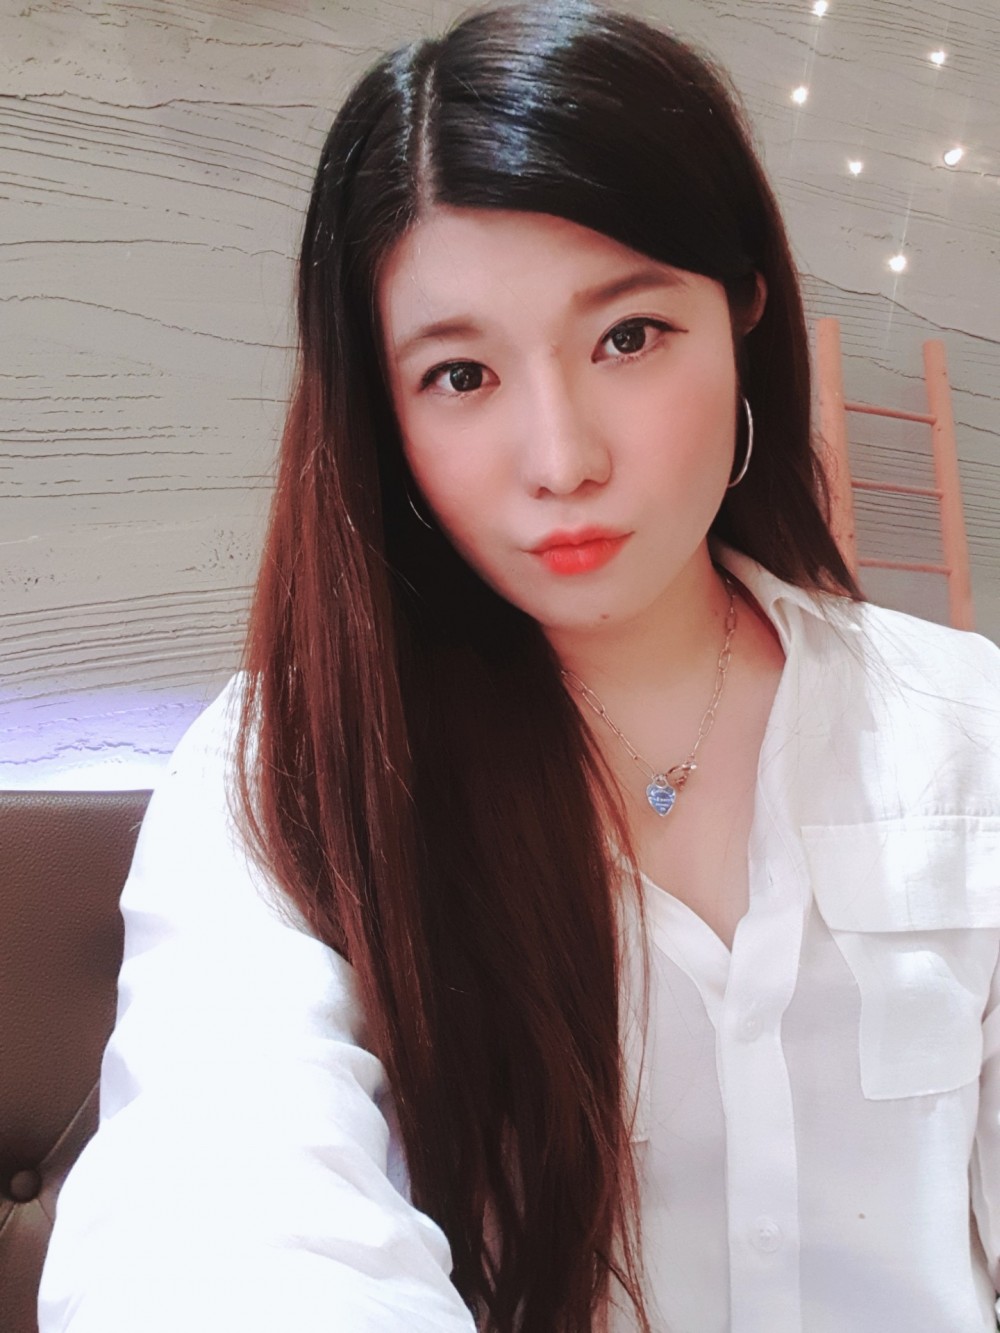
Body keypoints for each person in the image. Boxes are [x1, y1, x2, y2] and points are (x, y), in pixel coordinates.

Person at [38, 2, 1000, 1330]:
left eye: (628, 337)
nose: (562, 459)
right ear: (382, 407)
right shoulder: (293, 768)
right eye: (460, 375)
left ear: (744, 310)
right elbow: (217, 1219)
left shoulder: (966, 731)